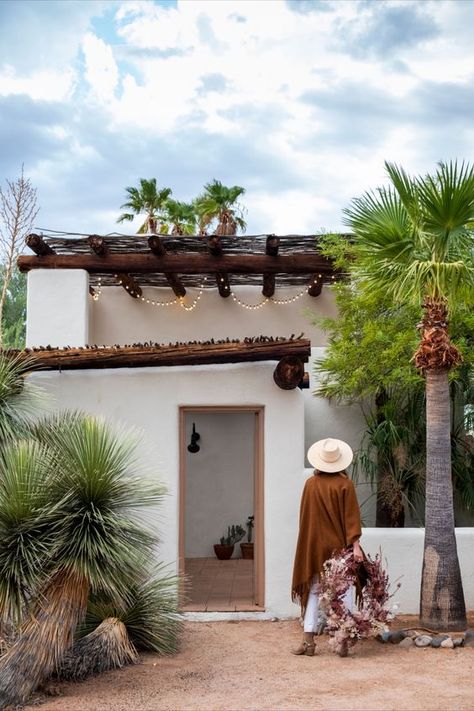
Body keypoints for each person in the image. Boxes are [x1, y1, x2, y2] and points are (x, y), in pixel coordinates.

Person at [291, 438, 363, 656]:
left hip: (314, 548)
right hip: (338, 548)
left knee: (313, 591)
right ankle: (343, 641)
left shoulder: (310, 485)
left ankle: (308, 642)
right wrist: (356, 547)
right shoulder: (345, 485)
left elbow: (305, 519)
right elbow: (351, 520)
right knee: (345, 591)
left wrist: (308, 546)